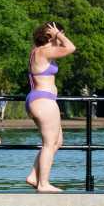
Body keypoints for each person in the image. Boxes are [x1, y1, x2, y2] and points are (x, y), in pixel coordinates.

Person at [25, 21, 76, 193]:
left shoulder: (37, 52)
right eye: (57, 34)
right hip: (43, 101)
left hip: (39, 100)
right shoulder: (44, 51)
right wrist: (58, 34)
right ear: (50, 36)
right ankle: (43, 184)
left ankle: (34, 175)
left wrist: (56, 35)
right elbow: (70, 47)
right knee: (49, 143)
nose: (60, 38)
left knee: (57, 141)